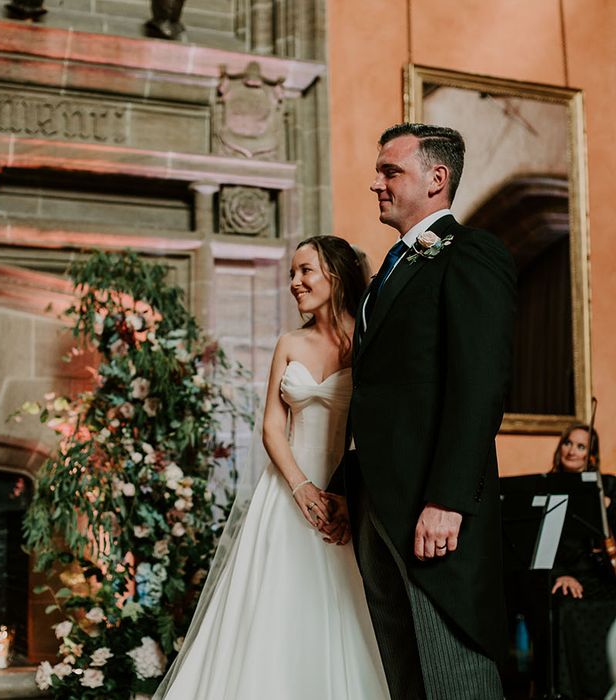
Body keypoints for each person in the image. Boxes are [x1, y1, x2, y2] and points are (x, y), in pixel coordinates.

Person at [325, 123, 516, 699]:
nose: (375, 182)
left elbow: (478, 384)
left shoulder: (472, 254)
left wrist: (448, 500)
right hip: (375, 499)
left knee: (451, 670)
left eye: (390, 171)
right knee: (401, 670)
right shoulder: (389, 269)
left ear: (437, 179)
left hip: (431, 506)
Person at [153, 235, 390, 699]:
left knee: (341, 609)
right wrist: (300, 488)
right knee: (272, 608)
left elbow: (372, 428)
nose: (295, 283)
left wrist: (341, 494)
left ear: (335, 276)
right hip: (285, 490)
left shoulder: (367, 344)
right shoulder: (289, 342)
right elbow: (270, 428)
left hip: (345, 494)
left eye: (305, 271)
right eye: (291, 274)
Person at [548, 423, 616, 699]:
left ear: (591, 456)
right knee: (568, 609)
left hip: (603, 577)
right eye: (568, 443)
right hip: (569, 576)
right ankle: (575, 693)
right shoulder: (547, 486)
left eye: (580, 446)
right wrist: (560, 575)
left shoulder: (607, 485)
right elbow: (542, 545)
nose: (571, 451)